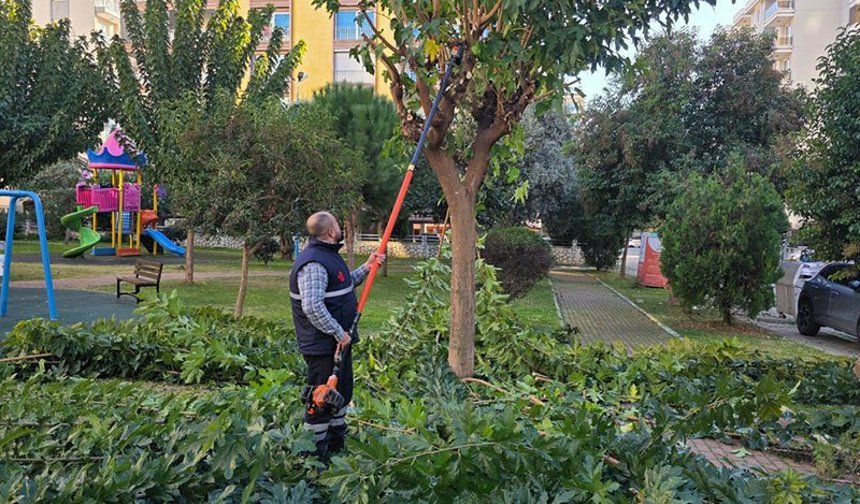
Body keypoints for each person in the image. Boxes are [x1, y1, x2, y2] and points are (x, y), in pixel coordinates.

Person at [289, 211, 384, 459]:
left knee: (341, 393)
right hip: (323, 345)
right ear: (331, 232)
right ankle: (312, 457)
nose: (340, 227)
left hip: (340, 343)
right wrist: (337, 332)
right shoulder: (313, 263)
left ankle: (335, 448)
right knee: (321, 399)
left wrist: (367, 267)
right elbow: (312, 306)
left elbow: (341, 285)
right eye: (337, 225)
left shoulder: (329, 257)